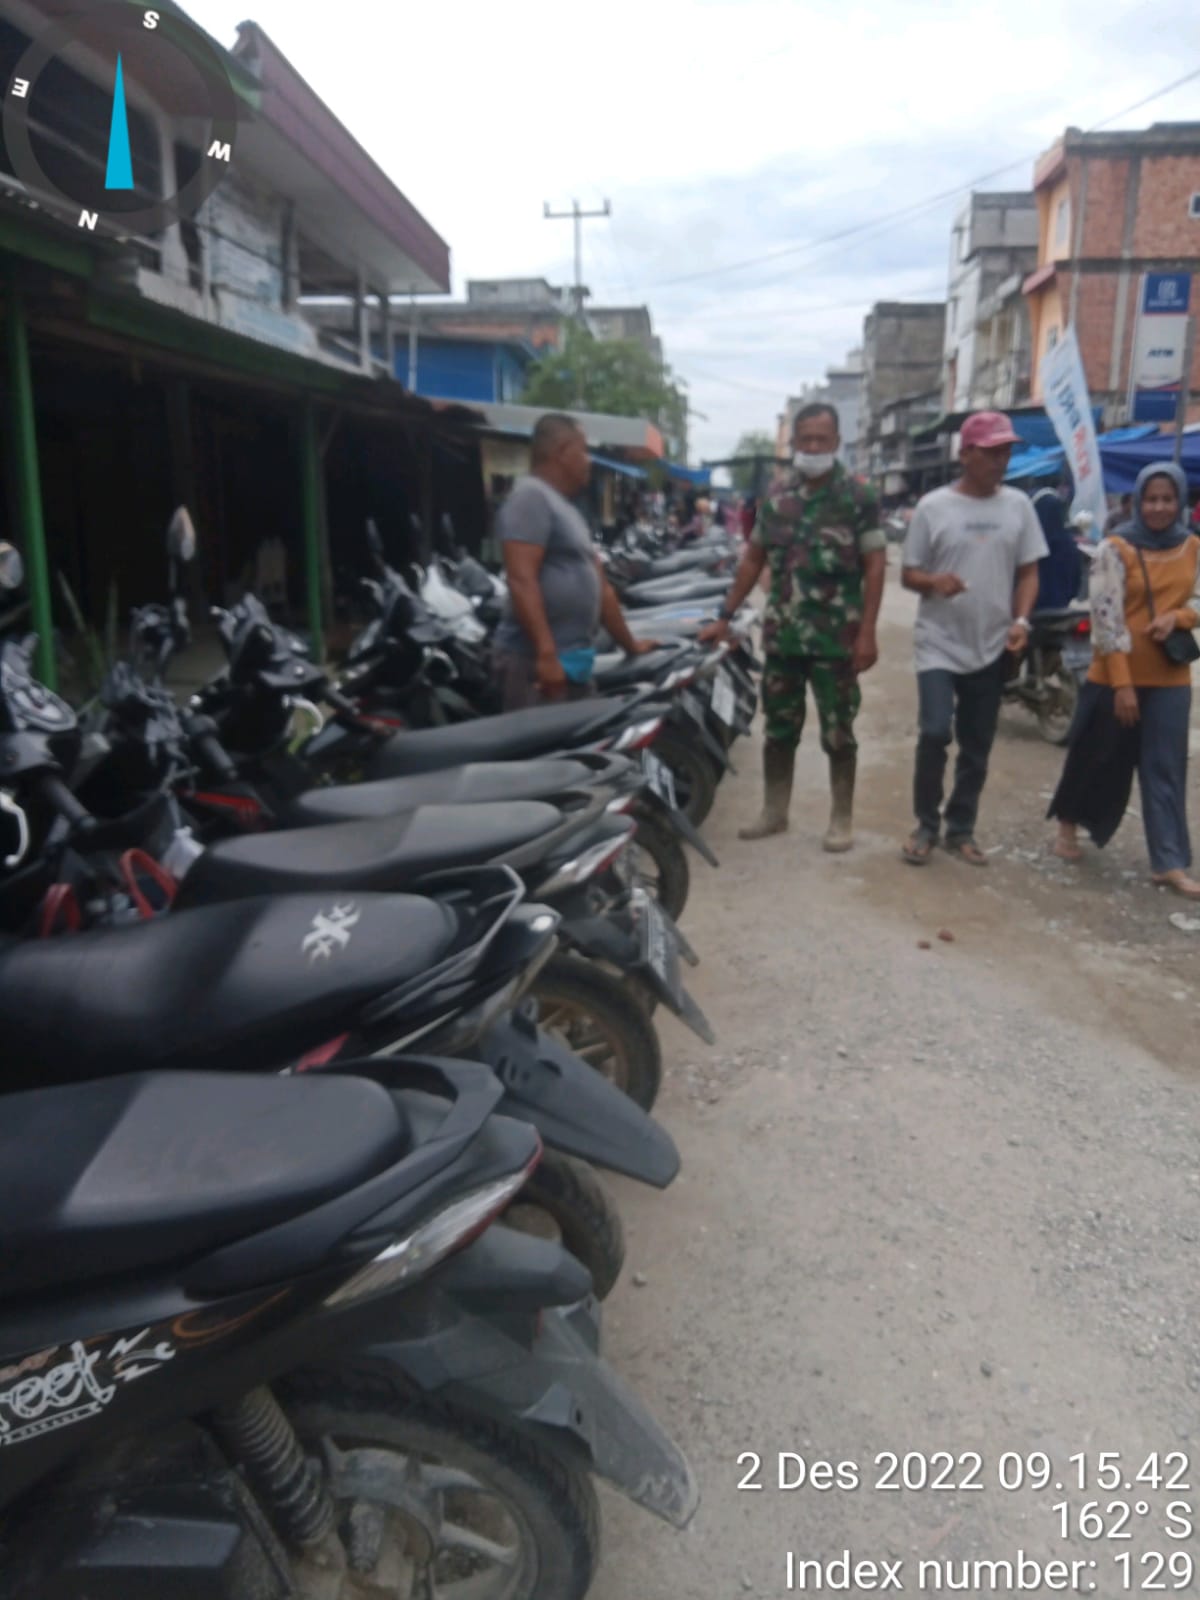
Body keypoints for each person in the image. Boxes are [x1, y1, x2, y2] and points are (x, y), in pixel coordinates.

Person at [699, 402, 886, 853]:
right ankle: (774, 811)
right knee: (778, 729)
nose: (814, 447)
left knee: (838, 732)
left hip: (836, 640)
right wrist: (725, 615)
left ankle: (841, 818)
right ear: (795, 443)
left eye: (823, 439)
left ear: (837, 443)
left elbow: (875, 565)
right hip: (783, 637)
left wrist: (867, 632)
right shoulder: (778, 498)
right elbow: (753, 561)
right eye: (806, 439)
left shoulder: (858, 496)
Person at [900, 410, 1048, 866]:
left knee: (976, 745)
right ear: (965, 454)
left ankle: (960, 828)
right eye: (991, 452)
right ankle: (926, 824)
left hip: (990, 644)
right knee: (934, 731)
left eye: (1006, 452)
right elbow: (908, 573)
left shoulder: (1018, 507)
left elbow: (1029, 573)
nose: (1001, 461)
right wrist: (933, 582)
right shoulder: (933, 507)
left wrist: (1021, 622)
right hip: (939, 643)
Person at [1049, 462, 1200, 898]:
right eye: (1150, 499)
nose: (1158, 507)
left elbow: (1198, 598)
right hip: (1115, 677)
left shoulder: (1192, 547)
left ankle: (1168, 862)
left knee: (1165, 769)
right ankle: (1067, 827)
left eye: (1167, 499)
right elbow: (1105, 620)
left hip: (1170, 678)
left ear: (1180, 501)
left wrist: (1180, 616)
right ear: (1135, 501)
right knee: (1096, 756)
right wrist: (1123, 684)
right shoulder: (1114, 548)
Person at [492, 413, 656, 710]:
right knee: (544, 756)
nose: (589, 460)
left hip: (574, 662)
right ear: (562, 452)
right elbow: (521, 578)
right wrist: (546, 654)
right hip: (536, 666)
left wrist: (630, 644)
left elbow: (602, 588)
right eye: (583, 450)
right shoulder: (530, 497)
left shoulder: (566, 508)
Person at [1029, 487, 1082, 610]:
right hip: (1063, 610)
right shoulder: (1069, 544)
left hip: (1033, 611)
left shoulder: (1032, 544)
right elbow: (1076, 581)